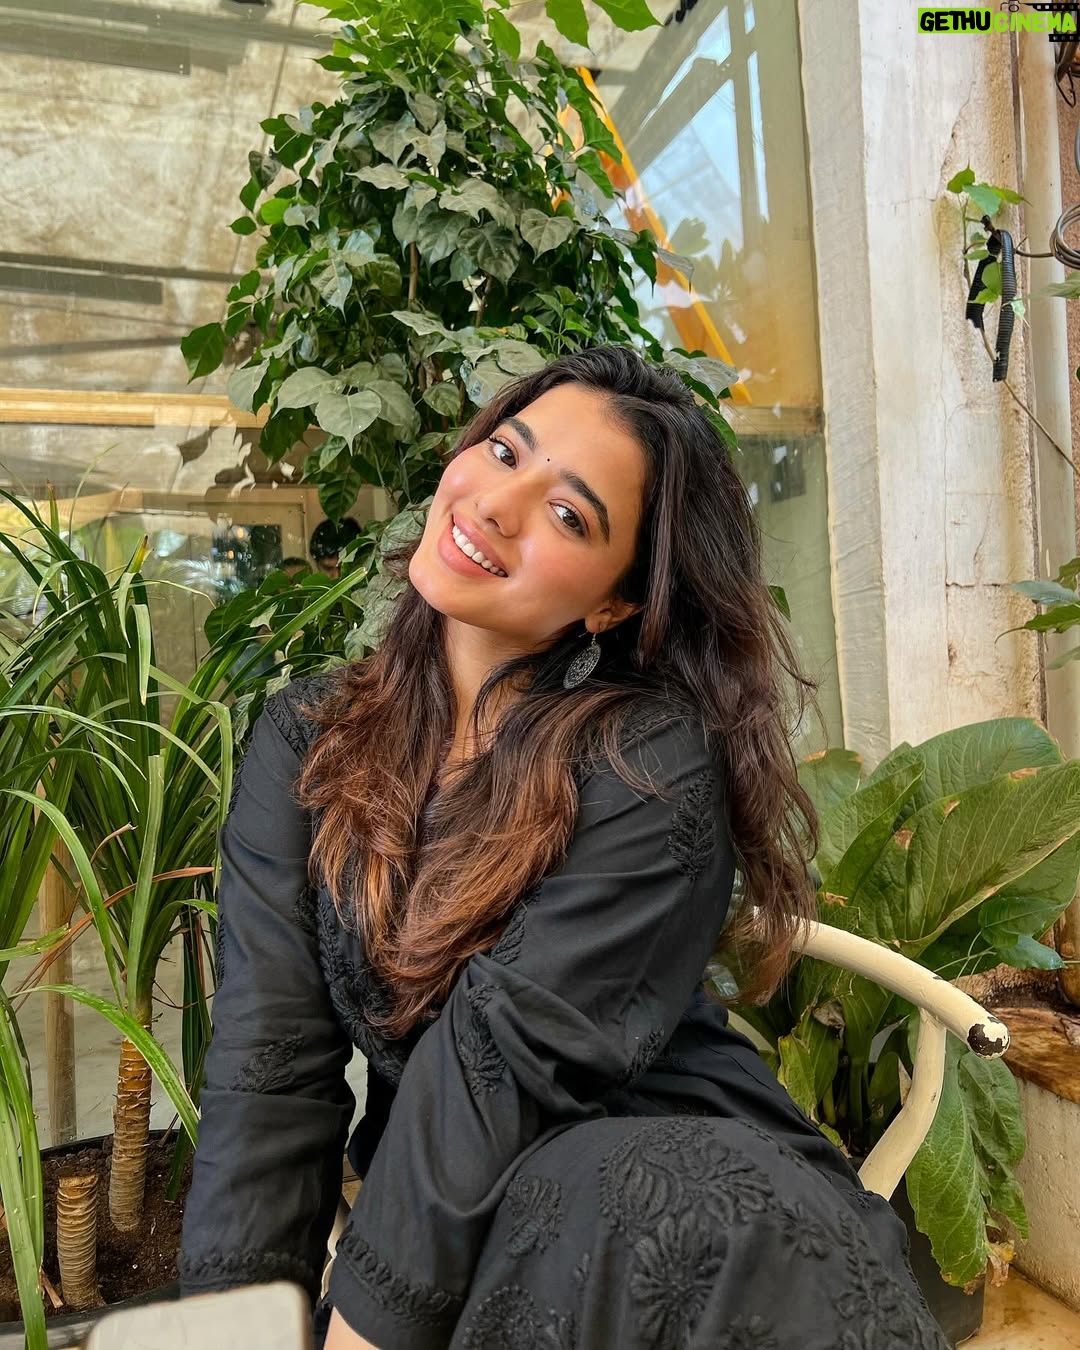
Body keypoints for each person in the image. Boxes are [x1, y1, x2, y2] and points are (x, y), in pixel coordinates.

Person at [180, 346, 946, 1350]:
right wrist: (238, 1328)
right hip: (460, 1221)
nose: (498, 505)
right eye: (505, 452)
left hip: (682, 1224)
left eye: (570, 515)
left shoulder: (646, 759)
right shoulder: (306, 740)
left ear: (613, 603)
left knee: (623, 1200)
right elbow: (269, 1071)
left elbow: (497, 1064)